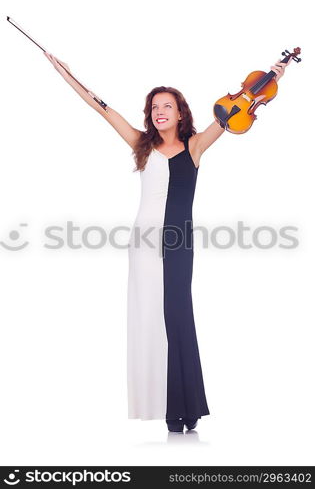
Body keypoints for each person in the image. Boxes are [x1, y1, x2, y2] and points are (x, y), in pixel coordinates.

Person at [44, 52, 290, 433]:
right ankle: (165, 407)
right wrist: (65, 73)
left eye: (167, 106)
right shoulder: (140, 143)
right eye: (155, 107)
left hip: (177, 242)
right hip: (142, 243)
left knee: (177, 318)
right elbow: (99, 107)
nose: (160, 112)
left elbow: (242, 104)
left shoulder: (194, 146)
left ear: (180, 113)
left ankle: (185, 406)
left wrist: (275, 76)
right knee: (149, 319)